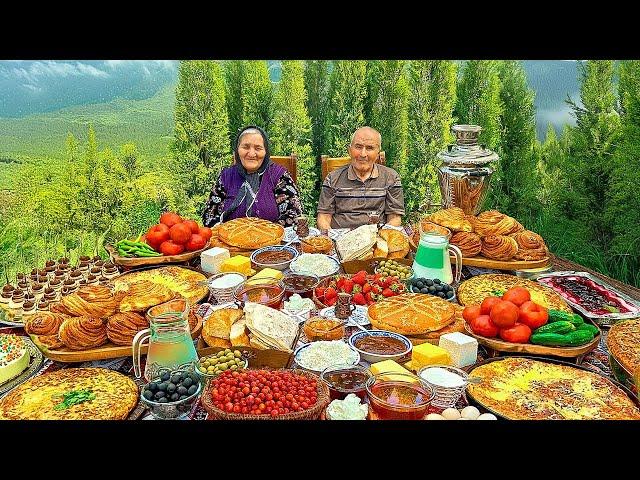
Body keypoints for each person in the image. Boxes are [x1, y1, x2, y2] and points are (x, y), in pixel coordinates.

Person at [202, 126, 303, 227]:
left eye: (258, 148)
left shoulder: (279, 176)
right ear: (237, 150)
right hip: (230, 240)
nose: (251, 153)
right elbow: (209, 217)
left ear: (266, 152)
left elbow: (293, 216)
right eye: (245, 147)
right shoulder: (226, 177)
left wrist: (261, 235)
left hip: (272, 241)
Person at [317, 126, 405, 230]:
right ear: (349, 150)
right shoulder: (332, 178)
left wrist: (381, 237)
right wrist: (332, 238)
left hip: (376, 238)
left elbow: (395, 218)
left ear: (378, 153)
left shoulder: (391, 178)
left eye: (369, 148)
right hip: (341, 239)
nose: (363, 154)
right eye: (358, 147)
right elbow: (323, 217)